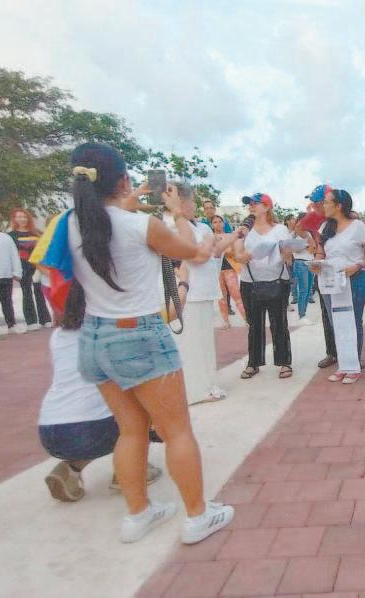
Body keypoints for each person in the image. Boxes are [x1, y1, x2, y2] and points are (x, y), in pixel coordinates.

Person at [66, 142, 232, 544]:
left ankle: (138, 514)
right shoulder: (140, 226)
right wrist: (179, 214)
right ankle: (197, 516)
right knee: (177, 430)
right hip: (138, 333)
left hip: (95, 335)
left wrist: (132, 197)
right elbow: (195, 252)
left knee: (130, 430)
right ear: (123, 181)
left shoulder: (71, 223)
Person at [39, 281, 163, 502]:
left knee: (98, 426)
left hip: (49, 429)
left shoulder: (58, 336)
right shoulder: (108, 332)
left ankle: (71, 469)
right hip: (88, 428)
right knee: (139, 412)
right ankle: (130, 471)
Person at [172, 184, 232, 404]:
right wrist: (208, 243)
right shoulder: (172, 225)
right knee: (191, 343)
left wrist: (232, 236)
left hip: (205, 290)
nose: (194, 206)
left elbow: (214, 252)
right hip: (190, 291)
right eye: (190, 201)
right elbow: (196, 255)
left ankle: (207, 384)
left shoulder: (199, 226)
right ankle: (194, 389)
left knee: (205, 342)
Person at [311, 190, 365, 383]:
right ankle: (343, 365)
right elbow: (321, 253)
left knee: (353, 322)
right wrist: (316, 263)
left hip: (354, 280)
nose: (323, 205)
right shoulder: (325, 227)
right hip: (331, 281)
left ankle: (353, 365)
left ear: (339, 205)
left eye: (327, 202)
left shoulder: (358, 227)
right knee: (336, 323)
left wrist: (357, 266)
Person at [234, 193, 294, 380]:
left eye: (256, 203)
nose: (251, 206)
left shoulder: (280, 229)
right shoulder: (244, 230)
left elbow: (288, 256)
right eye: (249, 204)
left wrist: (287, 252)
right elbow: (237, 255)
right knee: (254, 325)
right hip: (250, 283)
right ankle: (254, 363)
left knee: (279, 323)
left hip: (278, 281)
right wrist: (244, 256)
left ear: (267, 207)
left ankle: (284, 362)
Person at [302, 187, 337, 368]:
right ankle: (332, 352)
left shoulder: (347, 218)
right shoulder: (314, 218)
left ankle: (353, 353)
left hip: (346, 273)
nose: (314, 206)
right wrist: (313, 247)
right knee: (327, 315)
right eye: (313, 203)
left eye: (316, 202)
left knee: (349, 315)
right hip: (323, 272)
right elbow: (299, 229)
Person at [8, 208, 53, 330]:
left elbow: (45, 249)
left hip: (37, 267)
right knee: (26, 292)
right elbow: (10, 254)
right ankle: (31, 321)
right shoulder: (10, 236)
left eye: (24, 217)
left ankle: (45, 319)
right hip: (22, 267)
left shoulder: (36, 233)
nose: (22, 219)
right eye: (19, 217)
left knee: (40, 292)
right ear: (14, 219)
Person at [211, 215, 246, 327]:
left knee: (236, 295)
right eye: (215, 222)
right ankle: (226, 322)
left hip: (229, 268)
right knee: (221, 298)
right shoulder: (209, 237)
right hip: (216, 271)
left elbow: (235, 252)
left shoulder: (230, 236)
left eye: (220, 221)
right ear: (212, 224)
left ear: (223, 223)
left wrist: (225, 250)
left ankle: (247, 320)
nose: (218, 224)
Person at [289, 215, 316, 325]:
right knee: (303, 290)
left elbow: (312, 249)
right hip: (300, 263)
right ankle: (302, 315)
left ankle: (303, 314)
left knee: (308, 290)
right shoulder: (293, 235)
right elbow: (295, 249)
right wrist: (306, 245)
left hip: (310, 263)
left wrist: (305, 246)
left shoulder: (308, 233)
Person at [0, 229, 22, 337]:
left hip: (5, 275)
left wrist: (17, 271)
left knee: (7, 302)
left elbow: (14, 254)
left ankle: (11, 325)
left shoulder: (6, 238)